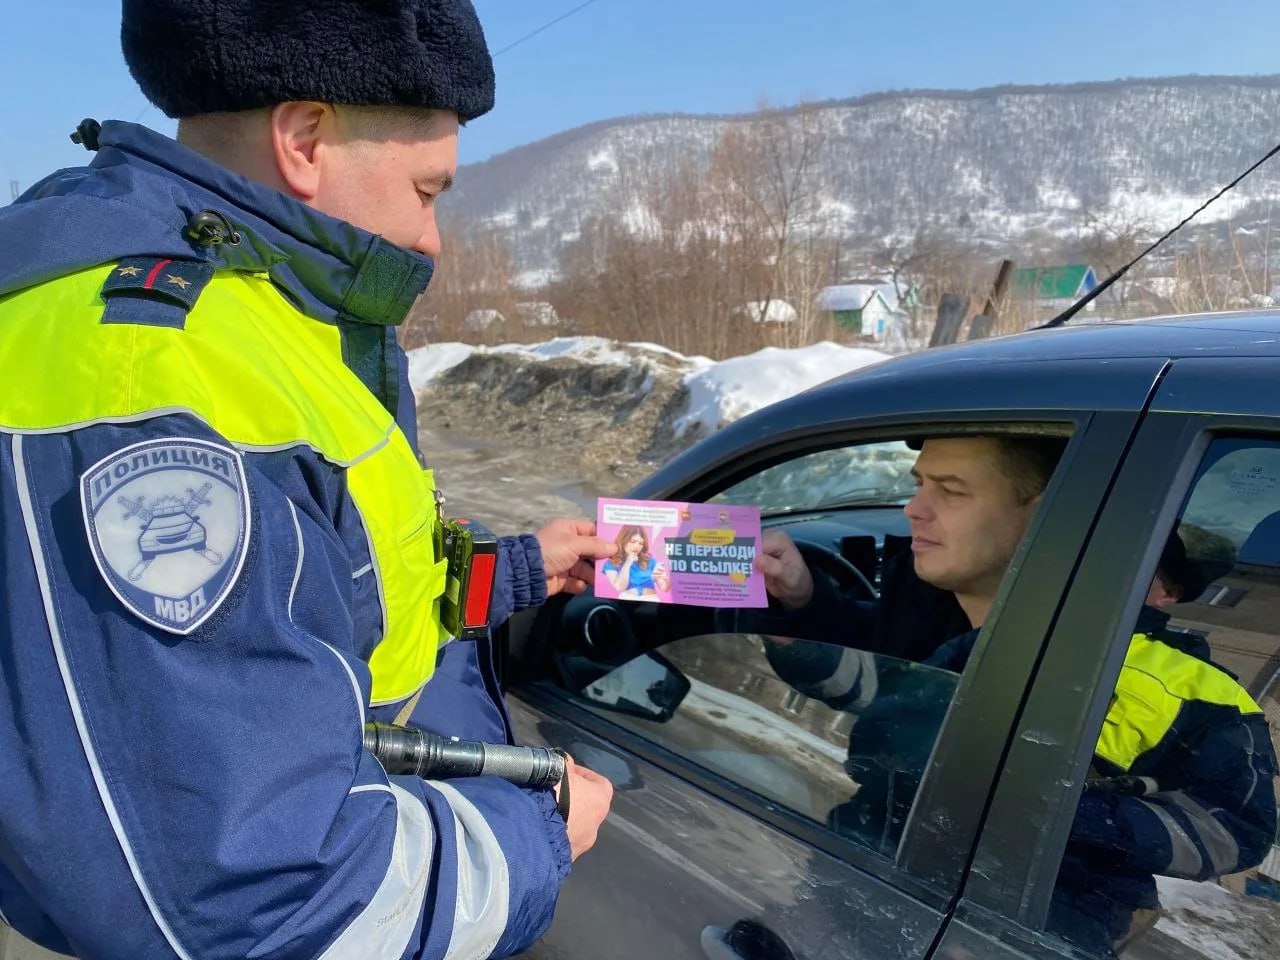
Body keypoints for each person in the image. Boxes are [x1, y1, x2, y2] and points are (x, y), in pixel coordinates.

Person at [0, 2, 614, 958]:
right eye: (427, 189)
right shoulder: (151, 375)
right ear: (304, 141)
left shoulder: (259, 309)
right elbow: (251, 902)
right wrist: (535, 835)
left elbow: (326, 578)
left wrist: (513, 572)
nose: (432, 238)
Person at [755, 435, 1278, 957]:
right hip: (871, 876)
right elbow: (885, 687)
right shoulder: (1000, 637)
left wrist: (1071, 816)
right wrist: (798, 639)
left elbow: (1236, 829)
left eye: (952, 490)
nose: (914, 509)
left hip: (1026, 924)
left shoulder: (1204, 692)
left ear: (1166, 593)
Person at [602, 525, 670, 599]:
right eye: (633, 542)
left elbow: (664, 588)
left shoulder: (649, 560)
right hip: (627, 599)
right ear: (623, 540)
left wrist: (667, 579)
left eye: (640, 543)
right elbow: (620, 587)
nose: (636, 546)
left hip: (651, 599)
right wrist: (628, 562)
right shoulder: (611, 563)